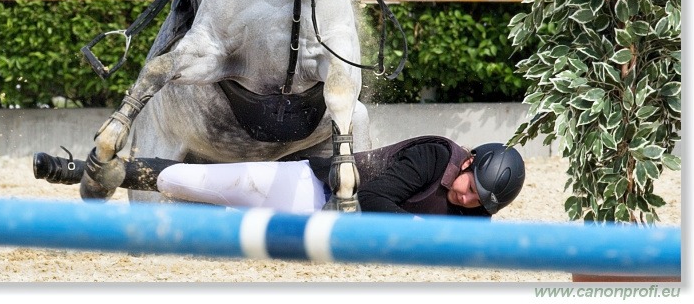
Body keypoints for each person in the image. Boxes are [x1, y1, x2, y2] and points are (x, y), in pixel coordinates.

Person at [33, 137, 525, 217]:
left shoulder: (476, 208)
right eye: (470, 189)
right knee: (187, 182)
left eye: (480, 202)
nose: (468, 201)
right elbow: (373, 201)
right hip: (309, 188)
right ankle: (82, 168)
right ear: (466, 164)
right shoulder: (435, 156)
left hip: (314, 224)